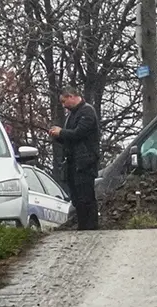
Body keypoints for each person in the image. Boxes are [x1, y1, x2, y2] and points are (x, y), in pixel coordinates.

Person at [49, 86, 101, 230]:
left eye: (64, 101)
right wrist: (58, 136)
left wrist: (62, 132)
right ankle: (82, 225)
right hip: (73, 163)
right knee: (77, 198)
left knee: (86, 197)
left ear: (72, 96)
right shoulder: (71, 116)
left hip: (85, 162)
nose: (63, 105)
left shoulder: (87, 111)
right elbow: (70, 138)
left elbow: (79, 133)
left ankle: (91, 226)